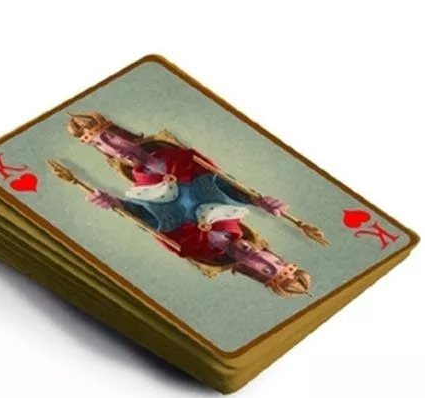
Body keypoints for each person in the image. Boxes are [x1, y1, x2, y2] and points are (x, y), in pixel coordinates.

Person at [67, 112, 312, 297]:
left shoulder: (197, 249)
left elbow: (151, 221)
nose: (262, 259)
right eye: (276, 262)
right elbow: (223, 186)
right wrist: (259, 201)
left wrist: (114, 203)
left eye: (267, 270)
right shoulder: (229, 214)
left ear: (252, 272)